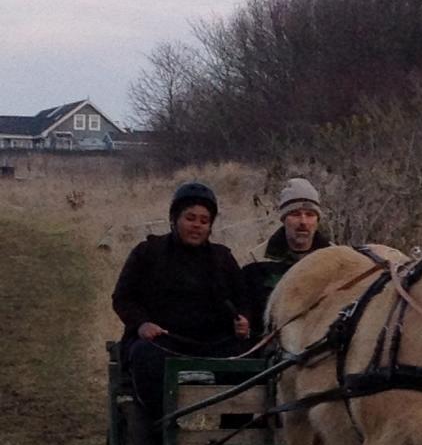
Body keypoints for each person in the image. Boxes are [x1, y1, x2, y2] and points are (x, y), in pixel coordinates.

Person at [112, 181, 251, 420]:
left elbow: (243, 300)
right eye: (190, 218)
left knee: (249, 360)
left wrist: (244, 321)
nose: (197, 226)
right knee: (145, 356)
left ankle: (234, 438)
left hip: (212, 344)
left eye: (204, 221)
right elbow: (123, 298)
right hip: (163, 342)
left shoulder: (222, 258)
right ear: (175, 218)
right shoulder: (148, 252)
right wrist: (142, 324)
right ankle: (161, 432)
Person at [241, 177, 331, 339]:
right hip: (270, 351)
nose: (303, 221)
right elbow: (247, 314)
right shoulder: (257, 260)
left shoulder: (336, 259)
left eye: (310, 214)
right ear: (283, 219)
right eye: (295, 214)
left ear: (317, 220)